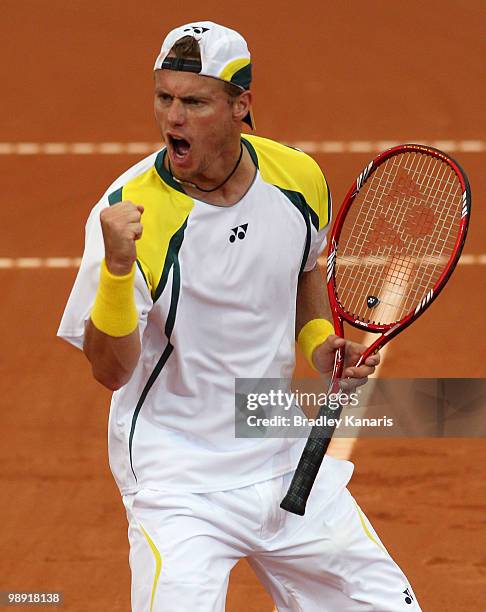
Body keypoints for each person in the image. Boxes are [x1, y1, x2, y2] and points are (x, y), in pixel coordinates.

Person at [58, 21, 421, 612]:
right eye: (164, 97)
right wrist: (119, 273)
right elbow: (109, 370)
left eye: (194, 102)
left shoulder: (298, 179)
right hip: (178, 480)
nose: (172, 118)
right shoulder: (127, 212)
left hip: (279, 457)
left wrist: (320, 340)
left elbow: (302, 273)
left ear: (240, 105)